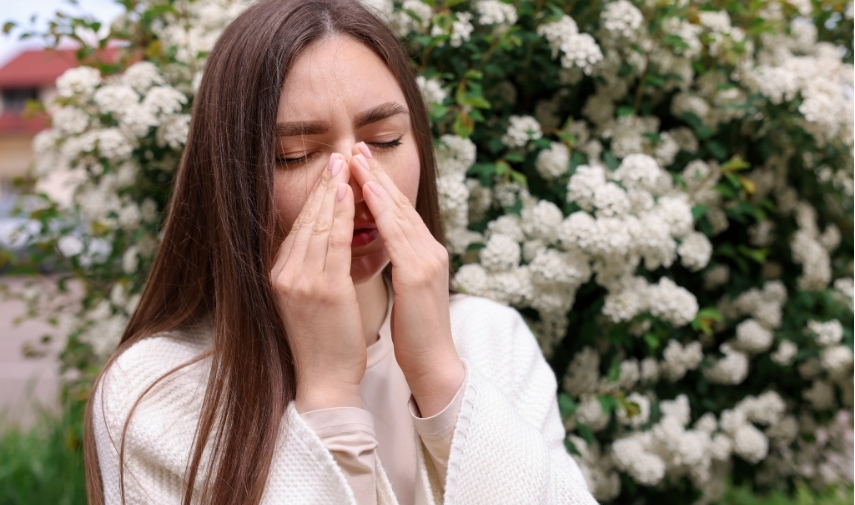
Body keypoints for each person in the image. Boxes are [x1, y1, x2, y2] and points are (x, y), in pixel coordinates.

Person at [84, 1, 597, 504]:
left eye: (387, 140)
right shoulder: (152, 392)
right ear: (233, 177)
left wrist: (440, 377)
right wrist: (328, 397)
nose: (354, 178)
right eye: (296, 155)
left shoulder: (491, 339)